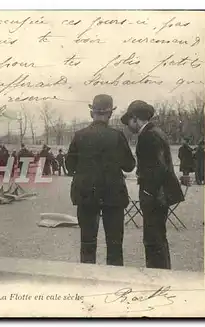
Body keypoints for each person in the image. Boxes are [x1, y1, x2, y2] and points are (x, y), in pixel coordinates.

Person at [66, 94, 136, 266]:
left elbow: (69, 166)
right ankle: (115, 283)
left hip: (86, 194)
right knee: (114, 244)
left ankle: (87, 282)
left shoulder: (79, 135)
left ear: (92, 113)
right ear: (110, 114)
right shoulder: (117, 136)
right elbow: (129, 166)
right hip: (113, 195)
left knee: (87, 242)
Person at [121, 100, 184, 270]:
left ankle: (157, 276)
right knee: (158, 238)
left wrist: (148, 192)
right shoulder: (156, 132)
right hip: (161, 194)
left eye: (129, 121)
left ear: (135, 118)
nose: (128, 126)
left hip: (155, 195)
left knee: (153, 239)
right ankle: (162, 273)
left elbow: (157, 168)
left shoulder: (147, 136)